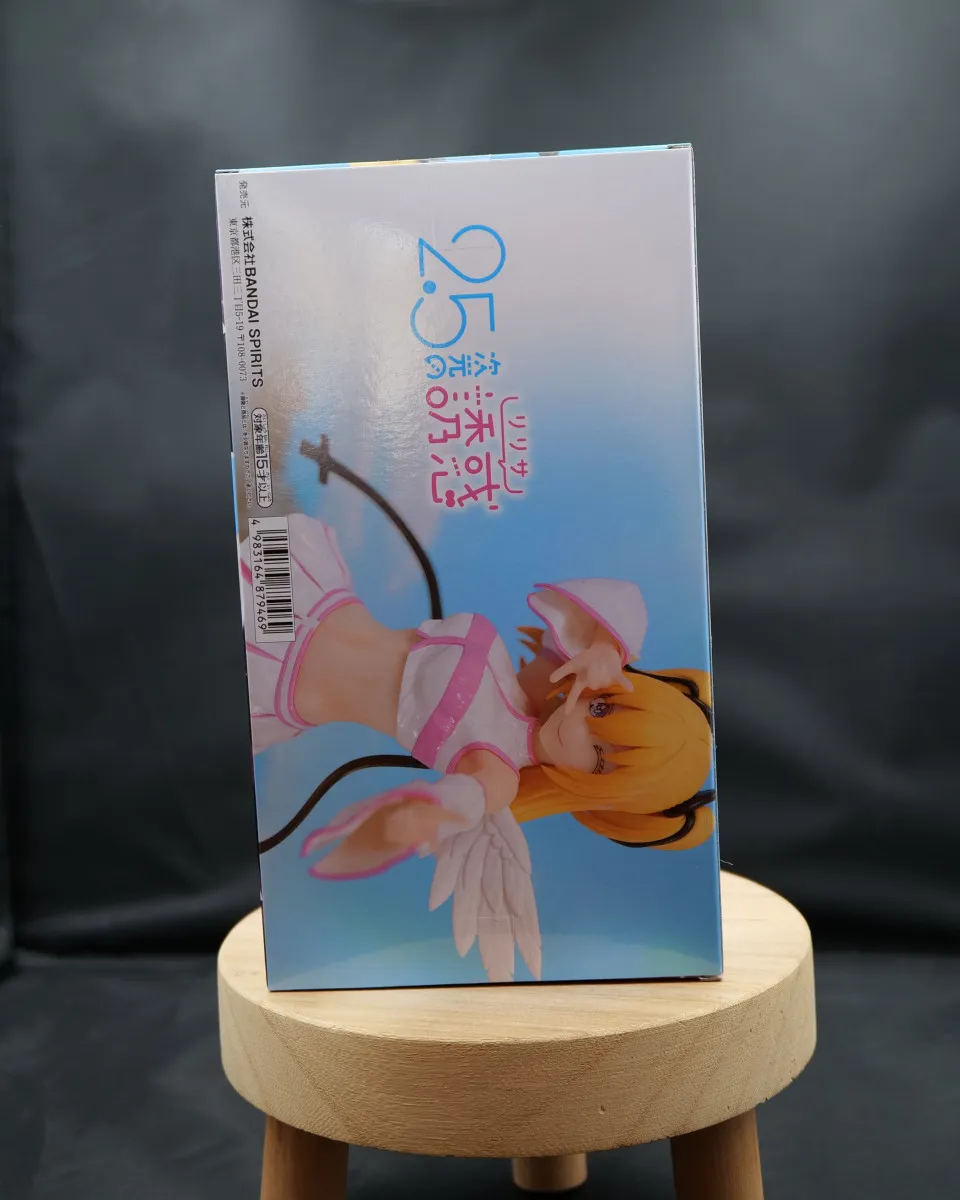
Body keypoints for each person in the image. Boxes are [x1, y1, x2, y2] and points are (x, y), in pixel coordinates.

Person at [241, 514, 714, 980]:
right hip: (313, 594)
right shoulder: (543, 676)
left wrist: (423, 818)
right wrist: (608, 651)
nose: (578, 730)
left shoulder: (497, 770)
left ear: (595, 791)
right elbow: (622, 600)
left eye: (600, 759)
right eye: (602, 712)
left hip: (274, 681)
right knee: (253, 517)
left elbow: (456, 804)